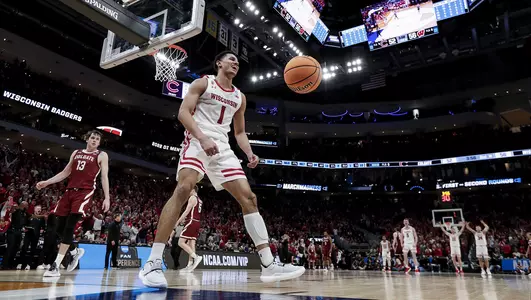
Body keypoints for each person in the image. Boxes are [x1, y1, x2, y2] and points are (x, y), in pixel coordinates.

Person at [138, 50, 305, 288]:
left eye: (237, 61)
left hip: (223, 149)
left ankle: (268, 265)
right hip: (197, 141)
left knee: (249, 198)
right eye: (231, 59)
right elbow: (183, 113)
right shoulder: (203, 83)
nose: (235, 63)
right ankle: (153, 262)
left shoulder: (240, 97)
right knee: (185, 187)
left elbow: (239, 132)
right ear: (219, 63)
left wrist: (249, 153)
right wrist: (202, 138)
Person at [37, 130, 110, 277]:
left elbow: (104, 177)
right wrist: (47, 182)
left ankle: (55, 266)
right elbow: (65, 172)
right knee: (59, 227)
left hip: (85, 192)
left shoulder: (101, 155)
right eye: (92, 138)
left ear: (99, 143)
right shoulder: (76, 152)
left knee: (70, 227)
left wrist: (107, 197)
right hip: (69, 191)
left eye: (97, 139)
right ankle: (75, 251)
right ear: (87, 139)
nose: (95, 140)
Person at [176, 187, 203, 273]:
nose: (188, 192)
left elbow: (186, 211)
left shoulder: (192, 198)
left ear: (194, 190)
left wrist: (178, 221)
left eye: (190, 190)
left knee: (180, 242)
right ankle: (190, 265)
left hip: (191, 221)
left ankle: (196, 257)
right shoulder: (200, 200)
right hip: (197, 222)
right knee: (191, 243)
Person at [2, 201, 29, 269]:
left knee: (16, 248)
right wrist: (16, 207)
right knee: (10, 247)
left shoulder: (24, 213)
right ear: (23, 205)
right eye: (26, 205)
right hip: (12, 231)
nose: (28, 206)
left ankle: (11, 264)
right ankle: (5, 265)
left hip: (19, 232)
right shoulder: (16, 209)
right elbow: (11, 211)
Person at [20, 205, 45, 270]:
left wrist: (42, 230)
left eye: (40, 209)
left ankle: (29, 264)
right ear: (34, 209)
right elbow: (24, 224)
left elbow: (43, 227)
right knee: (24, 248)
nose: (39, 210)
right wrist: (24, 228)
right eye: (38, 209)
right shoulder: (29, 216)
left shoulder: (41, 218)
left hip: (36, 236)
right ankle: (21, 263)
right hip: (28, 234)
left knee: (33, 250)